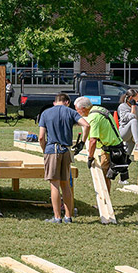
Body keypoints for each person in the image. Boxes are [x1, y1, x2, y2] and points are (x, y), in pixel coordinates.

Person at [39, 92, 89, 224]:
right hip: (66, 150)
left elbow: (41, 137)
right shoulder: (71, 112)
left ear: (55, 102)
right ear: (67, 102)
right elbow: (86, 125)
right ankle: (68, 216)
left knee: (54, 184)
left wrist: (45, 150)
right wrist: (82, 143)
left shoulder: (46, 113)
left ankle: (57, 217)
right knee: (65, 184)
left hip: (52, 149)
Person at [73, 97, 123, 206]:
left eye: (77, 110)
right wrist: (82, 142)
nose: (77, 112)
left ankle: (105, 202)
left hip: (111, 149)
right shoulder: (99, 109)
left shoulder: (93, 117)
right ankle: (106, 200)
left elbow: (93, 140)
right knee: (105, 175)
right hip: (114, 145)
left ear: (83, 108)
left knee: (104, 176)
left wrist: (90, 157)